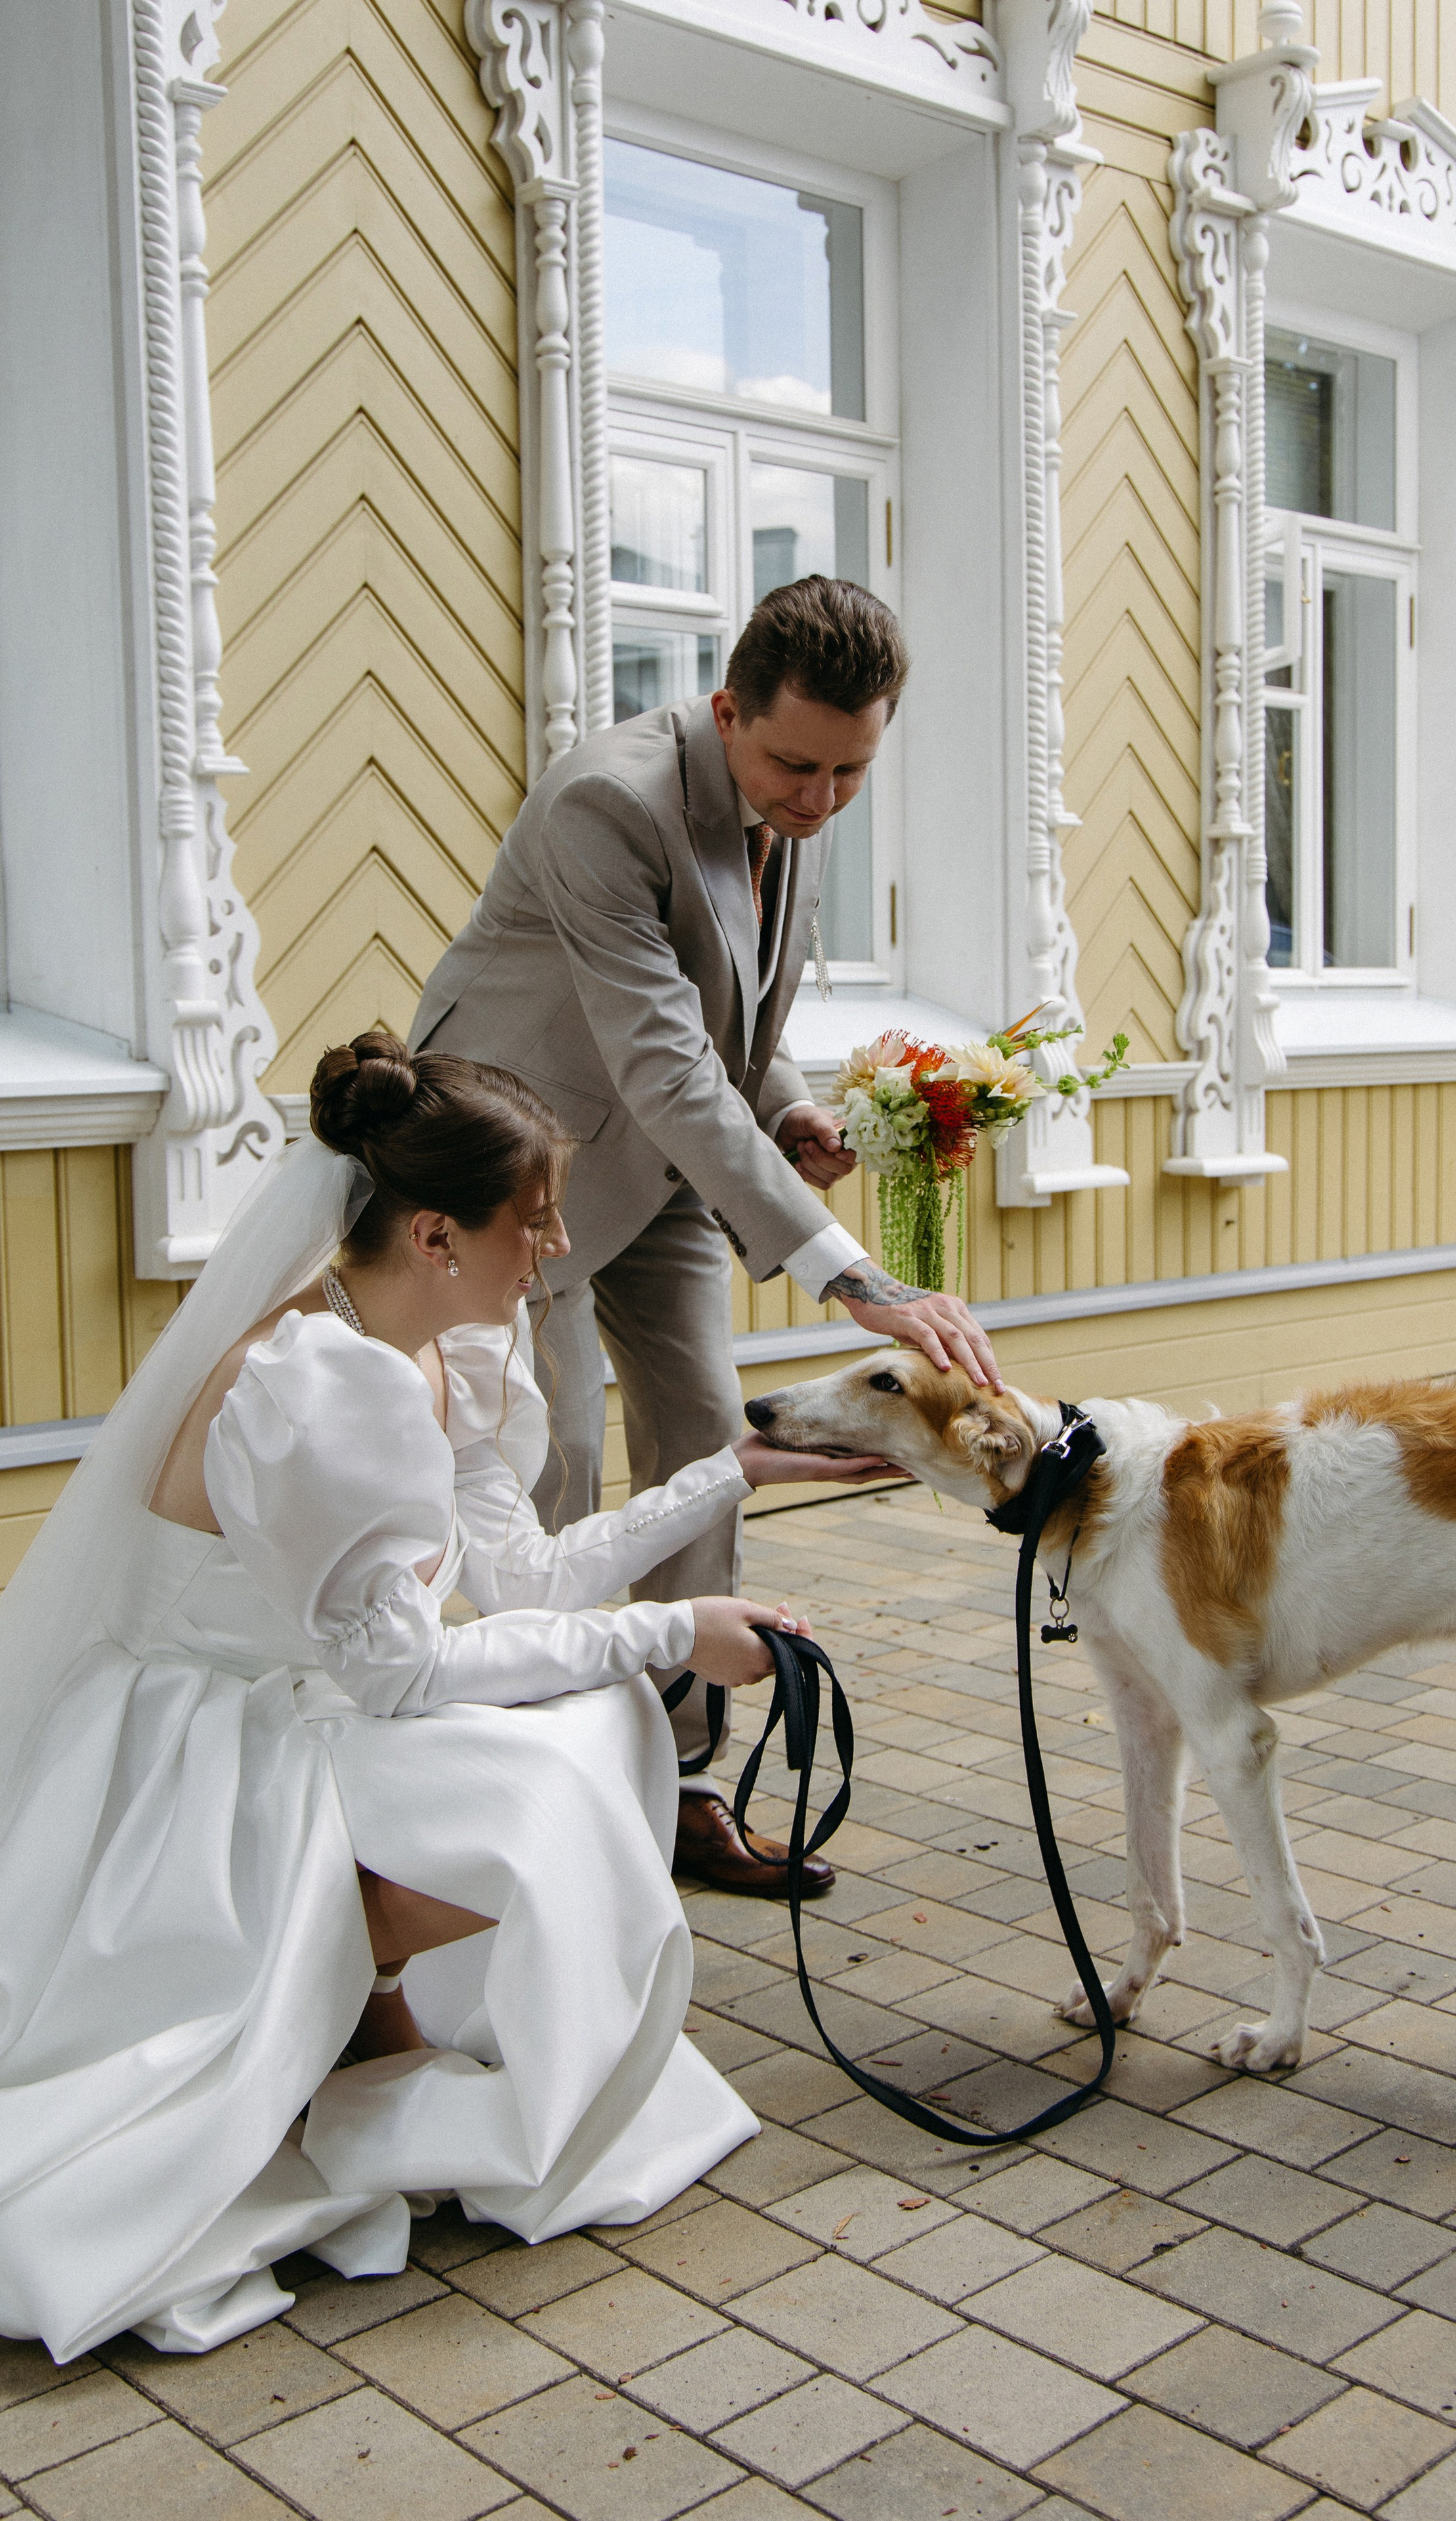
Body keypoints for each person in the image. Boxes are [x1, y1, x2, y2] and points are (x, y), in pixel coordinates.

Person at [0, 1035, 893, 2365]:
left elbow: (523, 1583)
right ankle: (334, 2012)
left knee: (594, 1718)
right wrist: (676, 1632)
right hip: (211, 1739)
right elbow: (402, 1671)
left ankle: (365, 2017)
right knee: (547, 1783)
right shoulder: (320, 1385)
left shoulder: (433, 1349)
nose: (548, 1254)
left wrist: (727, 1477)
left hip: (313, 1701)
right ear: (432, 1233)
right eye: (529, 1227)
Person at [412, 577, 1001, 1892]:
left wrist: (786, 1111)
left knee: (707, 1446)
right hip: (519, 1179)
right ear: (726, 709)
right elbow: (667, 1061)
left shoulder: (791, 796)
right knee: (546, 1468)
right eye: (796, 764)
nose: (818, 799)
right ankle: (528, 1783)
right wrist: (846, 1269)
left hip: (669, 1175)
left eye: (851, 771)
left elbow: (732, 1023)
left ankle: (673, 1783)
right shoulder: (602, 803)